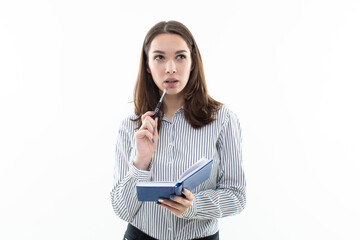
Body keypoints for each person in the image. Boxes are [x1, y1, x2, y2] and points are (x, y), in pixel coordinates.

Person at [110, 20, 246, 240]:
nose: (170, 68)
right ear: (147, 65)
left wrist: (193, 206)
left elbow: (236, 196)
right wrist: (141, 160)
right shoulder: (131, 126)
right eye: (159, 57)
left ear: (192, 62)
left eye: (180, 56)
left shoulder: (223, 119)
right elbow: (122, 210)